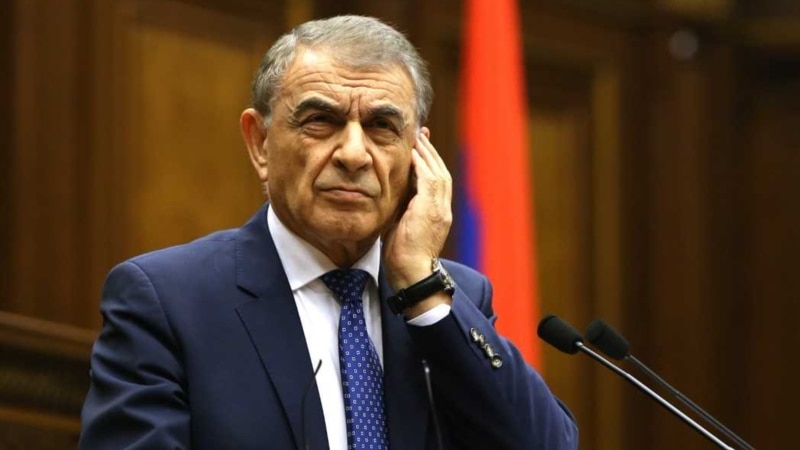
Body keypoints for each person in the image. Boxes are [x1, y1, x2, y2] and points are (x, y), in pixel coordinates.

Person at [78, 15, 578, 450]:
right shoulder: (169, 301)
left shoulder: (451, 298)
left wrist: (424, 292)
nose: (354, 154)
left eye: (382, 126)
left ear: (418, 156)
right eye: (321, 121)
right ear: (260, 143)